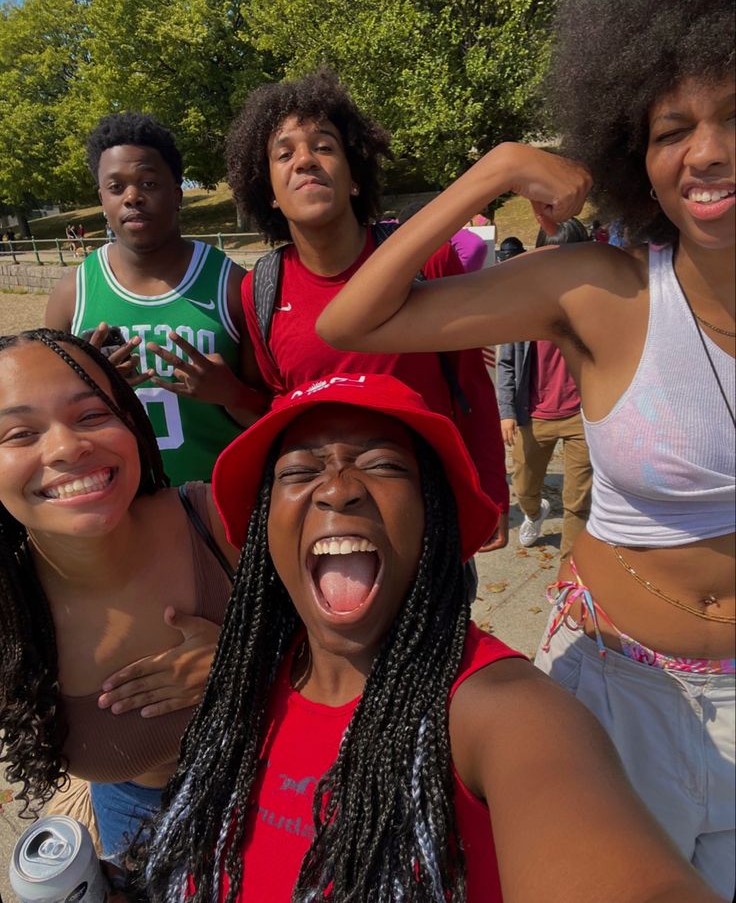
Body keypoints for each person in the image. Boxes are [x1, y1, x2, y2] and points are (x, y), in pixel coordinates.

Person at [316, 0, 735, 895]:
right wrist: (499, 169)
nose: (706, 151)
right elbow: (354, 321)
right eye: (674, 130)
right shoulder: (598, 289)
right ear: (640, 160)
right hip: (612, 697)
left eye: (734, 116)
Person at [132, 373, 718, 903]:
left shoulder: (505, 714)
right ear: (264, 527)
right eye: (300, 471)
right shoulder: (239, 687)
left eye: (384, 465)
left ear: (433, 517)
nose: (338, 488)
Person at [225, 70, 509, 550]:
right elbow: (282, 404)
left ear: (355, 178)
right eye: (284, 152)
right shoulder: (260, 290)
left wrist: (491, 496)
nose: (305, 162)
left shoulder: (427, 259)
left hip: (427, 510)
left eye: (324, 146)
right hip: (327, 520)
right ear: (269, 192)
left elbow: (471, 387)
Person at [0, 329, 238, 858]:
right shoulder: (7, 610)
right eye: (18, 434)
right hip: (132, 819)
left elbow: (371, 652)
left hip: (281, 791)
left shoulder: (223, 521)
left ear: (132, 423)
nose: (67, 447)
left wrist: (245, 659)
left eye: (91, 415)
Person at [45, 112, 265, 485]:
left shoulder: (230, 284)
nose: (132, 197)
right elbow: (48, 419)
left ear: (177, 193)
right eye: (116, 187)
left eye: (148, 182)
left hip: (219, 505)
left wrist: (231, 393)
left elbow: (269, 414)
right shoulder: (73, 293)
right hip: (119, 508)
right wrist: (91, 387)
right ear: (102, 198)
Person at [497, 218, 593, 562]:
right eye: (554, 254)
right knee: (524, 487)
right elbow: (506, 361)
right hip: (533, 413)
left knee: (578, 501)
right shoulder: (524, 302)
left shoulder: (596, 300)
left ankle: (571, 570)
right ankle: (535, 513)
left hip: (583, 415)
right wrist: (506, 412)